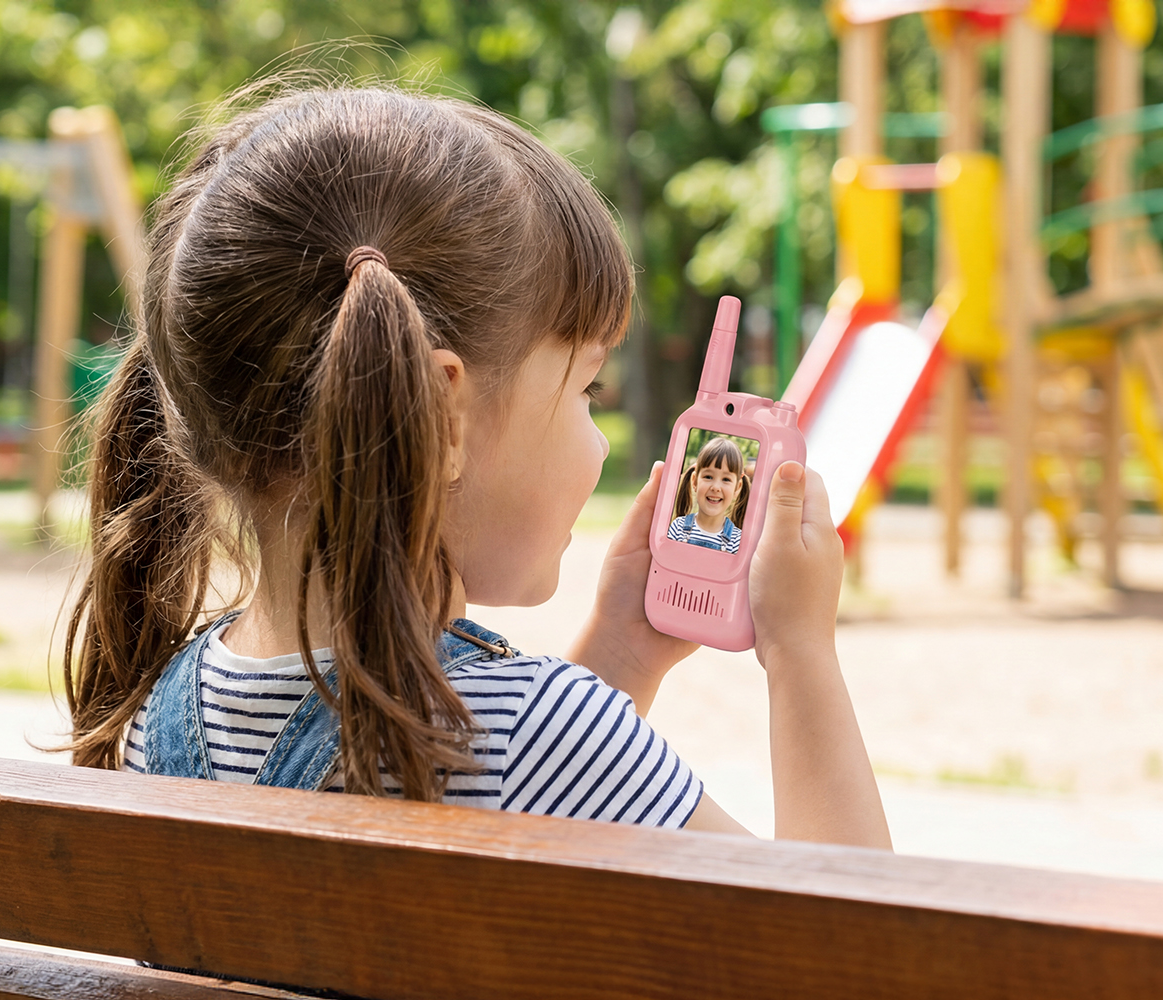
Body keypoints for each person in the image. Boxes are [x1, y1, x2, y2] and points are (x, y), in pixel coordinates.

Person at [63, 84, 888, 850]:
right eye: (587, 388)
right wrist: (800, 653)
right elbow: (853, 939)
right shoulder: (543, 733)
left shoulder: (146, 721)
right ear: (443, 413)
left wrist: (624, 655)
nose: (602, 442)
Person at [668, 436, 750, 553]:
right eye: (708, 477)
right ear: (695, 481)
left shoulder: (738, 541)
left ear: (737, 488)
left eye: (726, 479)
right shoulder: (678, 528)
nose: (716, 487)